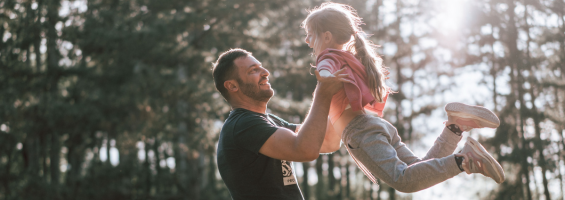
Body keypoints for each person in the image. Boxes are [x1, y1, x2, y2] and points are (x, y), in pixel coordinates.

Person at [302, 2, 505, 193]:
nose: (307, 41)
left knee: (404, 181)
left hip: (360, 131)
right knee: (419, 168)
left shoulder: (328, 57)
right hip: (375, 125)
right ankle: (455, 127)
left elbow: (325, 68)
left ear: (327, 36)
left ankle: (464, 160)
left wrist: (325, 77)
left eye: (310, 35)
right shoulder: (352, 59)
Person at [213, 48, 349, 200]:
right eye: (253, 70)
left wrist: (335, 95)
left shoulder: (270, 121)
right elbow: (305, 150)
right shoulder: (242, 125)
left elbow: (327, 142)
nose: (266, 72)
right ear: (232, 86)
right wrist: (323, 94)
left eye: (261, 67)